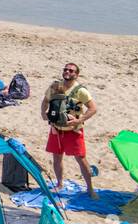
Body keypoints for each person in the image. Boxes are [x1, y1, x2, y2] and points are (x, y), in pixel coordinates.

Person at [41, 62, 98, 199]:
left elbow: (93, 108)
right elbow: (45, 101)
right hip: (56, 128)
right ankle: (60, 183)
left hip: (74, 130)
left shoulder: (80, 91)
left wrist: (79, 120)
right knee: (56, 156)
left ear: (76, 74)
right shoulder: (55, 86)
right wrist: (43, 113)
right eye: (65, 69)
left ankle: (90, 189)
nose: (67, 72)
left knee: (81, 158)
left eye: (71, 71)